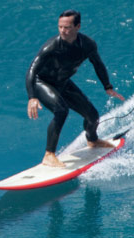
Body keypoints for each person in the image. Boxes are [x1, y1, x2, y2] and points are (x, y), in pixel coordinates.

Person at [26, 10, 126, 167]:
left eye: (67, 27)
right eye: (60, 27)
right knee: (61, 110)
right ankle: (49, 155)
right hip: (43, 82)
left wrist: (107, 86)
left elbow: (98, 64)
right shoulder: (52, 46)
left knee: (92, 116)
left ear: (77, 26)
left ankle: (92, 140)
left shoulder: (87, 45)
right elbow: (32, 70)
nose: (63, 31)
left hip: (63, 82)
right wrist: (32, 96)